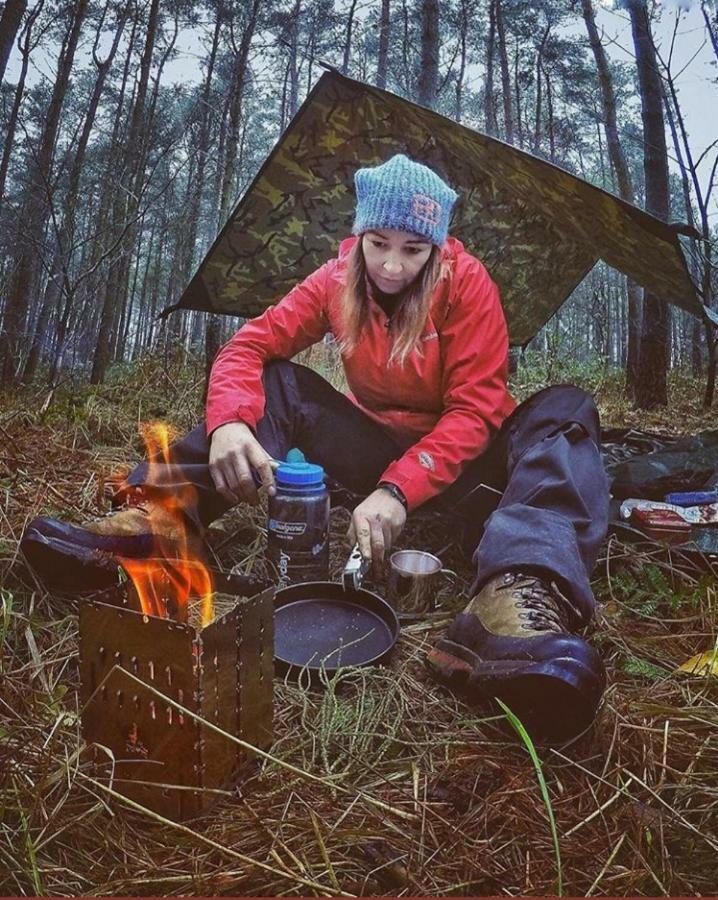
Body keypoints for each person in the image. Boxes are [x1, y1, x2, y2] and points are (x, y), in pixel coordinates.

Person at [23, 154, 609, 742]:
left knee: (565, 409)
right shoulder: (334, 280)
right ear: (358, 235)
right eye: (378, 242)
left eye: (413, 249)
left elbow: (476, 408)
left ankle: (517, 597)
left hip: (465, 473)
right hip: (374, 450)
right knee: (278, 382)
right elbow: (247, 347)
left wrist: (398, 490)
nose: (391, 264)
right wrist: (231, 423)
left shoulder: (467, 284)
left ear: (436, 246)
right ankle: (161, 520)